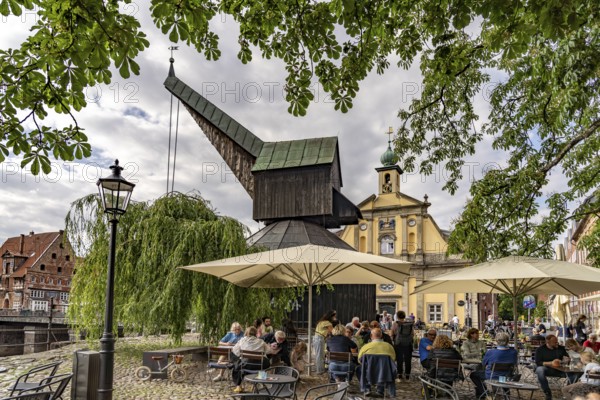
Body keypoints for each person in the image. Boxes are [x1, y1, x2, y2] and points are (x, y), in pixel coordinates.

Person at [470, 332, 518, 399]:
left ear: (497, 341)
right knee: (504, 375)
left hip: (492, 376)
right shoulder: (514, 352)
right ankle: (507, 396)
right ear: (507, 341)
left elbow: (483, 363)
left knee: (473, 375)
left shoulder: (491, 352)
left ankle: (485, 392)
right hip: (506, 377)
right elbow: (514, 363)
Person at [535, 334, 578, 400]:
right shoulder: (540, 349)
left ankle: (567, 392)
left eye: (557, 341)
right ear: (548, 342)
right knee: (539, 370)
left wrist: (567, 359)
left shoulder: (561, 348)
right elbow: (538, 362)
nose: (556, 343)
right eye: (554, 342)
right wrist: (551, 363)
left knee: (574, 374)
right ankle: (547, 392)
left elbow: (567, 358)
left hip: (560, 369)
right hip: (547, 369)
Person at [231, 326, 273, 393]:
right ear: (256, 333)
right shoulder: (261, 341)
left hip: (246, 365)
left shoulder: (242, 340)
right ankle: (256, 384)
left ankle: (238, 386)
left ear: (247, 333)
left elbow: (235, 350)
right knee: (265, 364)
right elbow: (269, 351)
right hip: (259, 365)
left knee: (238, 366)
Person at [357, 328, 397, 397]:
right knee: (384, 369)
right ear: (381, 336)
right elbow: (393, 359)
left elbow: (360, 360)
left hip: (369, 372)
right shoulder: (388, 346)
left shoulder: (366, 346)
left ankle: (367, 389)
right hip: (384, 372)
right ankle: (380, 390)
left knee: (359, 369)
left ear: (371, 336)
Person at [392, 310, 414, 381]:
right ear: (404, 316)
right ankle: (407, 375)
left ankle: (400, 375)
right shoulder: (409, 324)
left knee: (399, 359)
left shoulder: (396, 323)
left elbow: (392, 333)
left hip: (399, 343)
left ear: (397, 316)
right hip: (408, 343)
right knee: (408, 359)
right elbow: (412, 333)